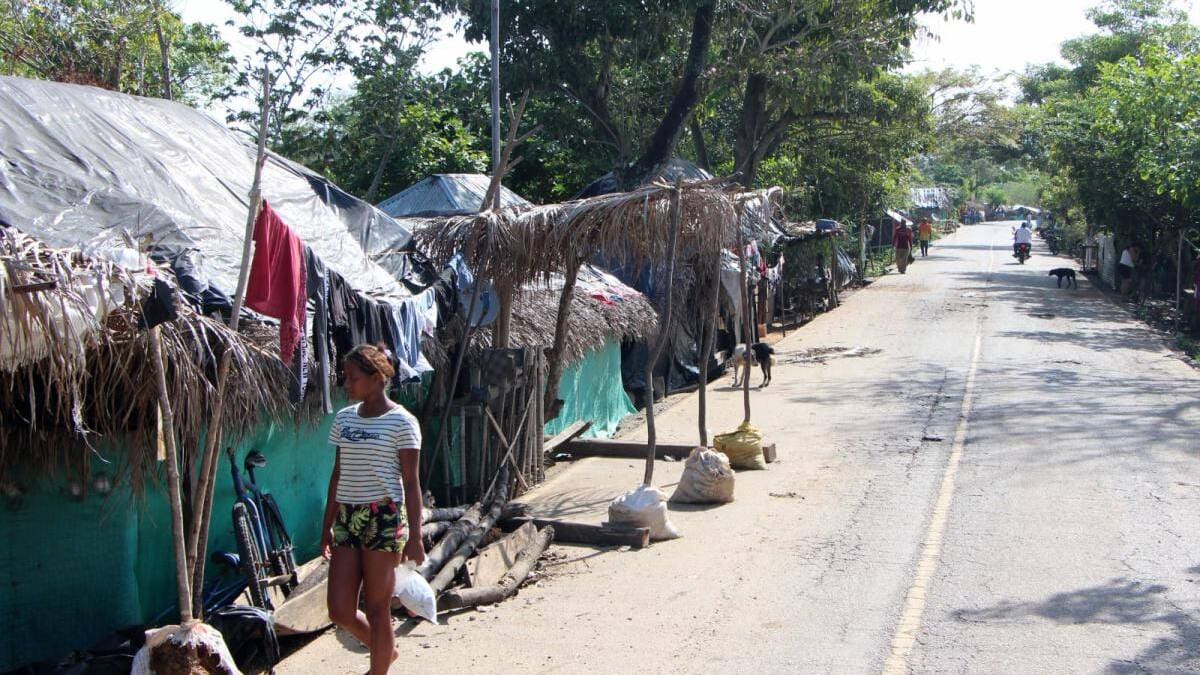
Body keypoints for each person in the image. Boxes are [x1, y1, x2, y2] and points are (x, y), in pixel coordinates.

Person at [323, 344, 425, 675]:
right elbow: (337, 474)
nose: (346, 384)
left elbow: (411, 482)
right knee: (339, 610)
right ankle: (385, 651)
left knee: (379, 607)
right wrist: (327, 525)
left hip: (384, 517)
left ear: (377, 377)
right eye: (345, 377)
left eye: (352, 378)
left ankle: (378, 668)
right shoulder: (344, 419)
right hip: (348, 517)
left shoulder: (402, 422)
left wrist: (416, 538)